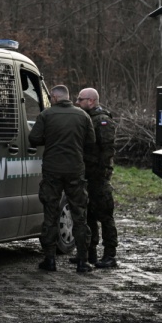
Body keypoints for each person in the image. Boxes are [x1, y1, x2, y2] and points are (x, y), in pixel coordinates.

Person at [28, 84, 96, 273]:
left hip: (52, 171)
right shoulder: (83, 116)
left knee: (50, 214)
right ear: (68, 97)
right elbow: (91, 142)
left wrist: (50, 139)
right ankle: (83, 261)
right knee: (79, 215)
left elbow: (33, 138)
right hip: (75, 170)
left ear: (55, 98)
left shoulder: (46, 115)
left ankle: (49, 260)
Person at [76, 88, 119, 269]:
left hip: (98, 176)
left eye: (80, 99)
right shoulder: (86, 118)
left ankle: (109, 255)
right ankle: (90, 252)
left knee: (105, 215)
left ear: (91, 101)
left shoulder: (102, 120)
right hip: (87, 173)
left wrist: (102, 172)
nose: (77, 102)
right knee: (88, 214)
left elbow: (107, 149)